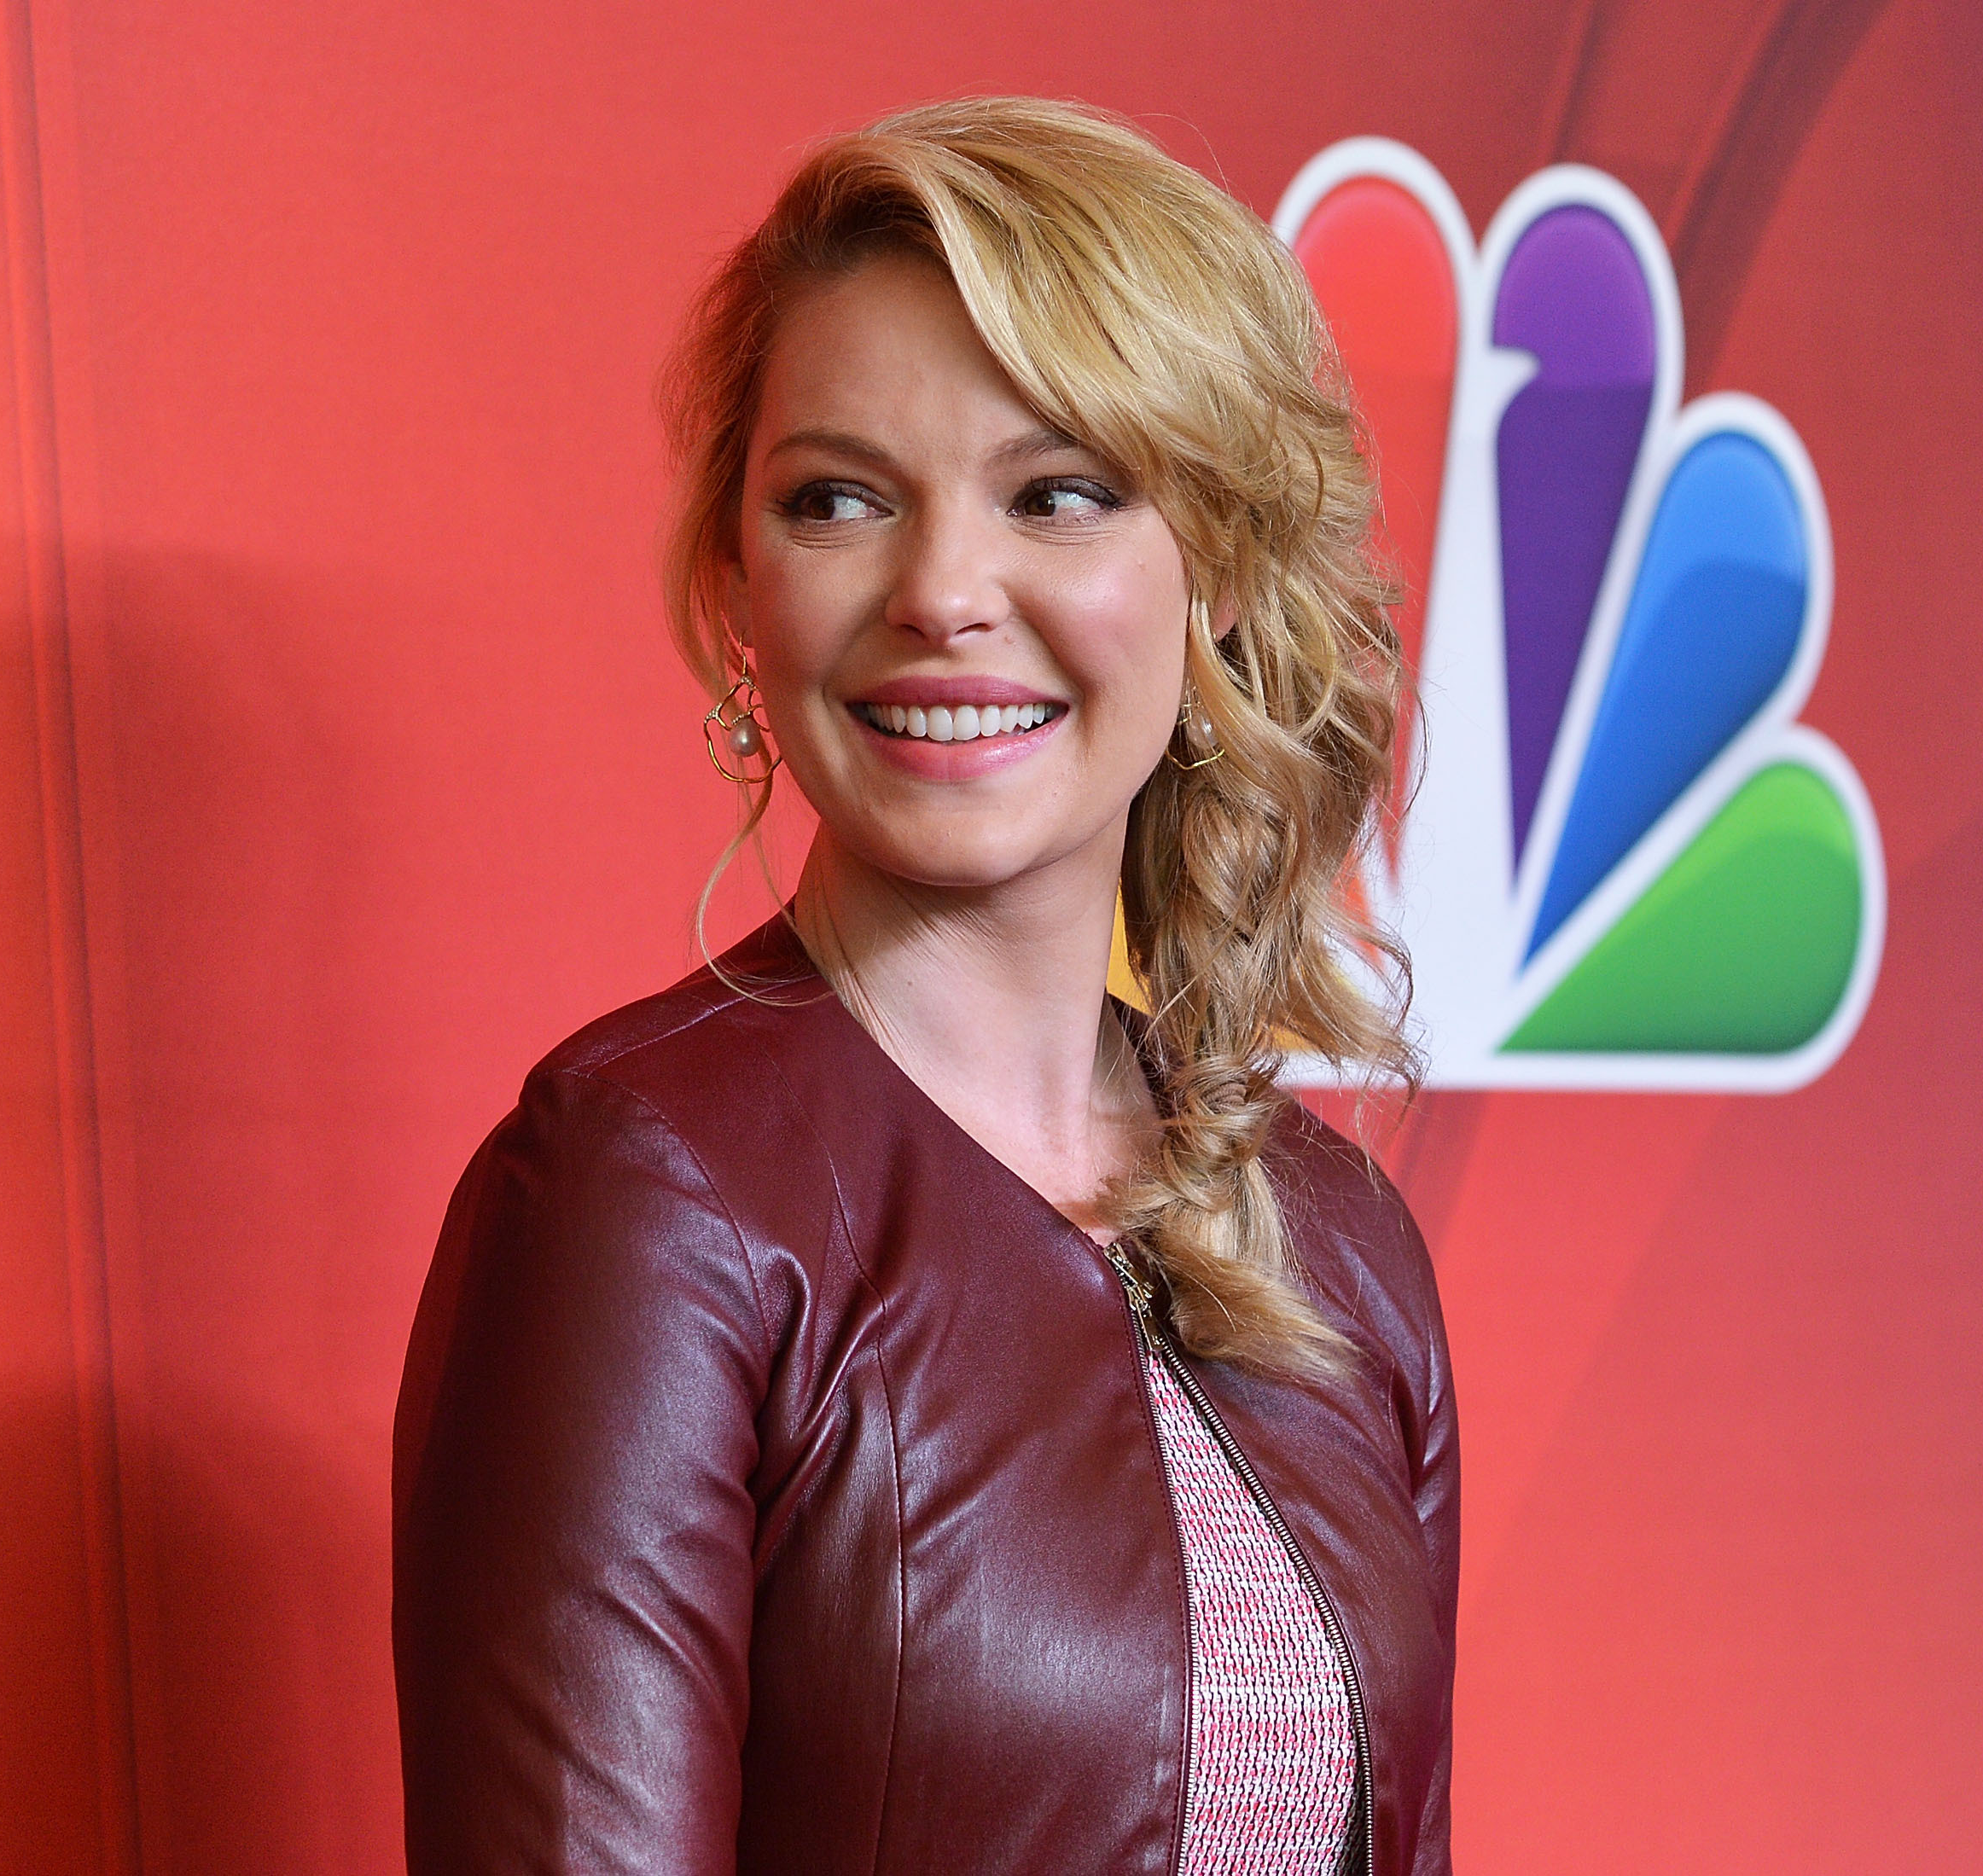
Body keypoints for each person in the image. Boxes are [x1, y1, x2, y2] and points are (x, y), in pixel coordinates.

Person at [392, 96, 1457, 1876]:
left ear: (1217, 572)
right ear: (740, 582)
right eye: (839, 499)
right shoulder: (639, 1196)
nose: (945, 591)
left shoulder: (1339, 1242)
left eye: (1058, 494)